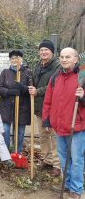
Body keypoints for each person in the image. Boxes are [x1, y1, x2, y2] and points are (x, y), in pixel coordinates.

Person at [42, 47, 85, 199]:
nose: (64, 59)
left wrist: (83, 96)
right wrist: (46, 119)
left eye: (68, 57)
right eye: (62, 57)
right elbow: (48, 100)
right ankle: (66, 185)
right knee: (63, 158)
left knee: (77, 160)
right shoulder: (55, 77)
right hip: (59, 126)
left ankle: (76, 189)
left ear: (75, 59)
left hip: (77, 127)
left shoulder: (82, 77)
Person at [28, 39, 61, 177]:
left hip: (53, 108)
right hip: (40, 107)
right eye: (41, 50)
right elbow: (34, 82)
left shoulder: (57, 67)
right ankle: (47, 160)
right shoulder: (38, 66)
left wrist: (38, 91)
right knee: (42, 136)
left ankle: (57, 165)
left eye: (46, 50)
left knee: (53, 136)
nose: (43, 52)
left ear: (52, 52)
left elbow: (54, 86)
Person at [0, 50, 31, 153]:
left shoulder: (27, 73)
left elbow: (31, 89)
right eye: (12, 58)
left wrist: (22, 88)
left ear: (21, 59)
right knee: (5, 130)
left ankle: (17, 152)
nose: (14, 60)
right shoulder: (5, 72)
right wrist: (10, 92)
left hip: (22, 108)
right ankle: (6, 152)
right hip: (6, 108)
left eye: (17, 58)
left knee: (20, 133)